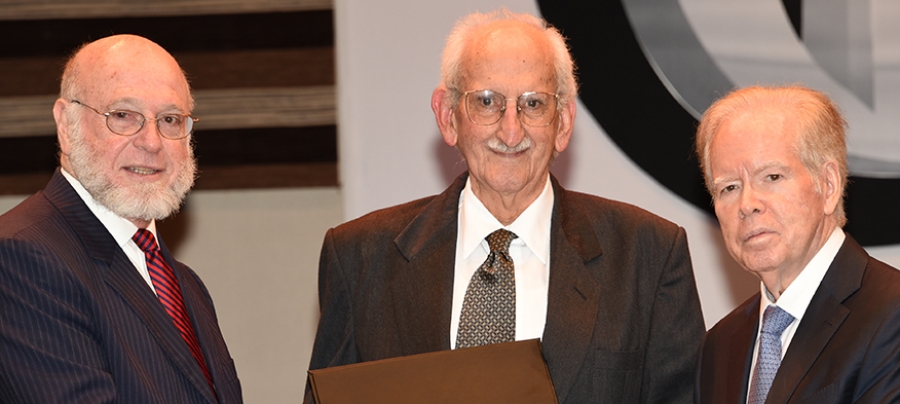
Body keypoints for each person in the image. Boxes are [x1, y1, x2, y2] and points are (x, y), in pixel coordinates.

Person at [305, 9, 704, 404]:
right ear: (448, 116)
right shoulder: (360, 259)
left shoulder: (647, 256)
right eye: (486, 101)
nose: (511, 131)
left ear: (564, 123)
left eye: (533, 104)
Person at [0, 35, 242, 403]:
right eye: (123, 116)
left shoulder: (186, 283)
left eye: (170, 119)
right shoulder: (20, 259)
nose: (152, 142)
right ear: (66, 125)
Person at [694, 85, 900, 403]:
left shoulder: (891, 315)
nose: (747, 204)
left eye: (772, 177)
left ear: (828, 185)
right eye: (729, 187)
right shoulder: (718, 346)